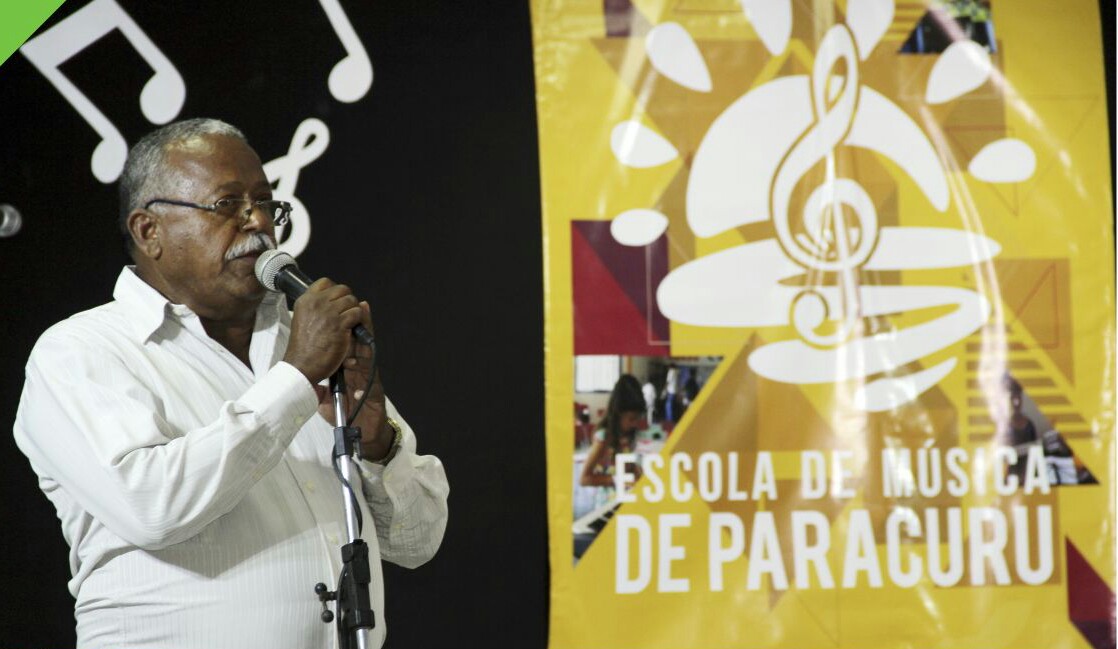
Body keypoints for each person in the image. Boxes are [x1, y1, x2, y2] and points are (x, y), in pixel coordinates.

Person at [12, 119, 449, 649]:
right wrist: (294, 378)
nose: (258, 221)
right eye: (228, 205)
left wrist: (376, 441)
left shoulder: (303, 342)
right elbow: (152, 508)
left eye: (265, 202)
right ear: (149, 231)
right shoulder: (80, 351)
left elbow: (417, 541)